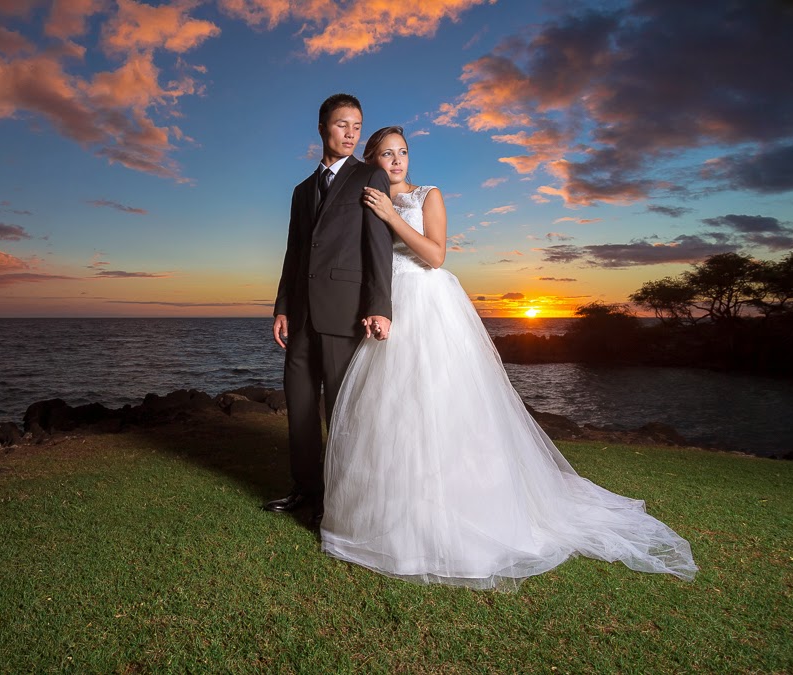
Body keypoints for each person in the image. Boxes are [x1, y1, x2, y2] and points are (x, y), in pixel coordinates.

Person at [319, 126, 698, 591]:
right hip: (388, 303)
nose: (396, 161)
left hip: (429, 301)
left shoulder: (427, 195)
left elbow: (436, 255)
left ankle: (466, 511)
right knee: (391, 409)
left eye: (402, 153)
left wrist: (394, 218)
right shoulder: (367, 194)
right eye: (386, 154)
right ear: (371, 159)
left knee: (444, 402)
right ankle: (388, 515)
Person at [267, 94, 394, 525]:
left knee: (342, 410)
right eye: (343, 125)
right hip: (301, 315)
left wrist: (380, 306)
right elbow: (294, 252)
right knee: (300, 406)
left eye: (357, 126)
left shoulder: (370, 176)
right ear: (322, 127)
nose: (351, 133)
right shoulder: (302, 191)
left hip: (345, 312)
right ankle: (305, 488)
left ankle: (341, 501)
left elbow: (378, 249)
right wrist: (283, 306)